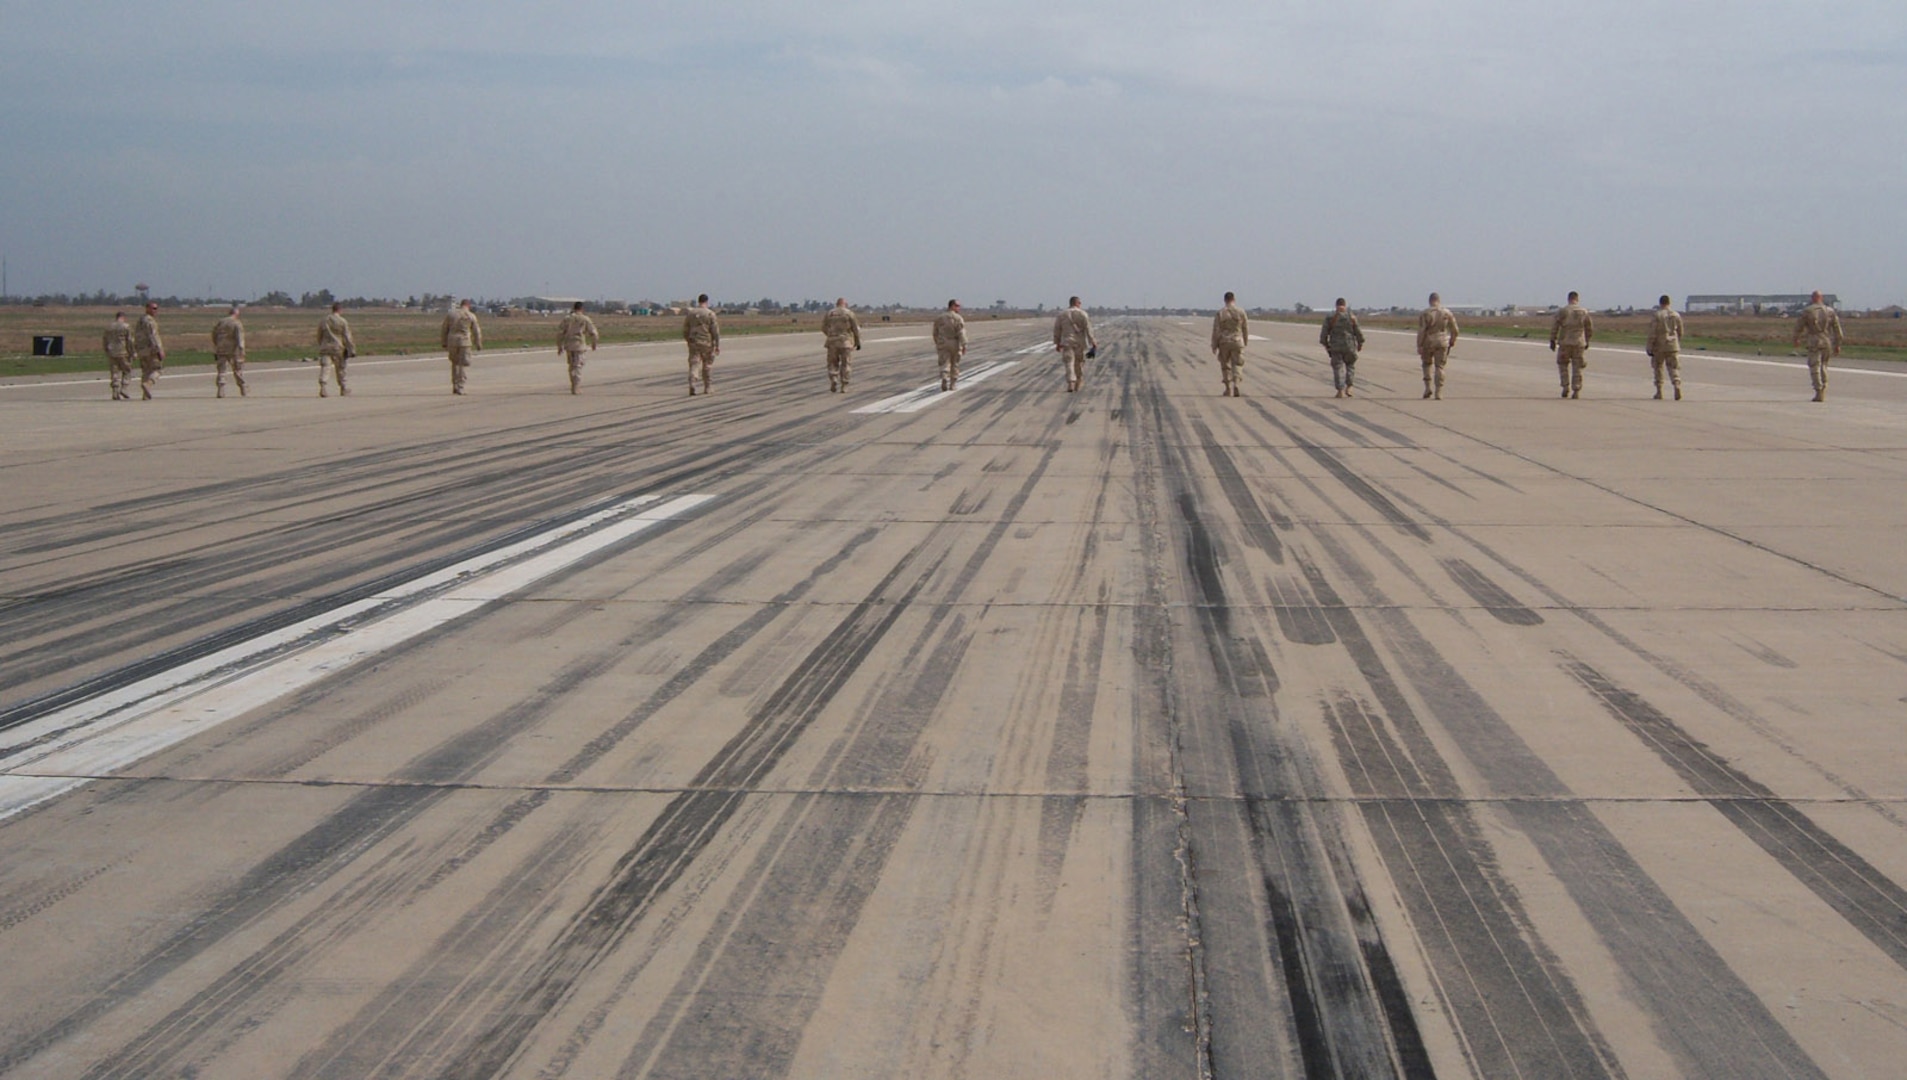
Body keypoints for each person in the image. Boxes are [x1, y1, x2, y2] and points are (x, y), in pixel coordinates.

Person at [1792, 290, 1843, 402]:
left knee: (1814, 366)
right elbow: (1837, 330)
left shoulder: (1808, 311)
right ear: (1821, 298)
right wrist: (1837, 344)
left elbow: (1798, 327)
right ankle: (1824, 387)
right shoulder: (1830, 311)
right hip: (1826, 341)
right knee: (1824, 366)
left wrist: (1796, 339)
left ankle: (1818, 390)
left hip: (1814, 341)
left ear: (1813, 298)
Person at [1549, 291, 1594, 399]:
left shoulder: (1563, 311)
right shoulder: (1584, 312)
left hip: (1565, 342)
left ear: (1568, 299)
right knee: (1577, 367)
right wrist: (1587, 340)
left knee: (1563, 365)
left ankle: (1565, 386)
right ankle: (1576, 389)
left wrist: (1552, 340)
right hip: (1579, 342)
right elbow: (1589, 328)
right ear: (1577, 299)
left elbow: (1555, 326)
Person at [1319, 297, 1365, 398]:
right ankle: (1349, 387)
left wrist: (1326, 344)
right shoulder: (1351, 316)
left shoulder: (1330, 317)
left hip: (1336, 347)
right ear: (1345, 305)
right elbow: (1358, 331)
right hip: (1349, 346)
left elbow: (1324, 333)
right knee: (1350, 366)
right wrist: (1360, 343)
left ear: (1336, 305)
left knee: (1337, 368)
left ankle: (1340, 390)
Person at [1415, 292, 1459, 399]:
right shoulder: (1447, 313)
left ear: (1430, 301)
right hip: (1442, 341)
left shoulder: (1425, 313)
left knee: (1426, 364)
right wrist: (1452, 340)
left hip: (1428, 341)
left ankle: (1427, 388)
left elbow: (1422, 330)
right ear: (1439, 300)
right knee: (1440, 366)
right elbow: (1455, 330)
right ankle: (1439, 391)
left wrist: (1419, 345)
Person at [1052, 296, 1097, 392]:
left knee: (1069, 363)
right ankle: (1078, 381)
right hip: (1080, 343)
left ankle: (1071, 382)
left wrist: (1057, 343)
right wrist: (1092, 341)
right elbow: (1088, 328)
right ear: (1077, 303)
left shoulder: (1062, 314)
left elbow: (1057, 329)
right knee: (1079, 363)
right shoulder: (1083, 314)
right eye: (1079, 303)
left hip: (1067, 342)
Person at [1210, 291, 1250, 397]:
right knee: (1237, 364)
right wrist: (1245, 341)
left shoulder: (1221, 313)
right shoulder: (1241, 312)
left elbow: (1216, 330)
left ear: (1225, 300)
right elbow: (1245, 327)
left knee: (1225, 365)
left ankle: (1228, 388)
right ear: (1234, 299)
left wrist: (1214, 345)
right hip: (1237, 341)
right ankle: (1236, 384)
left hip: (1224, 342)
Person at [1646, 295, 1684, 400]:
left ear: (1660, 303)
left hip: (1660, 345)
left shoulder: (1657, 315)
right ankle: (1676, 384)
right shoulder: (1676, 315)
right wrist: (1677, 341)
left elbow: (1653, 332)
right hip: (1673, 345)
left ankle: (1659, 391)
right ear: (1669, 302)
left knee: (1658, 367)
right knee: (1673, 367)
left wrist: (1649, 346)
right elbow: (1680, 331)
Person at [440, 299, 483, 395]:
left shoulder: (451, 315)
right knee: (462, 364)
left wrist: (444, 342)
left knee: (454, 363)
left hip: (452, 341)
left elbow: (444, 329)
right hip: (465, 342)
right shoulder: (471, 315)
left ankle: (455, 385)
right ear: (468, 306)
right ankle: (460, 386)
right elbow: (476, 331)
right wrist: (478, 343)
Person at [556, 301, 599, 394]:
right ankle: (576, 386)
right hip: (579, 345)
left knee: (572, 366)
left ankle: (573, 384)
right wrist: (594, 343)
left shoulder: (567, 319)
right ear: (581, 308)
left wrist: (559, 346)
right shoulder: (585, 319)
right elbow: (594, 333)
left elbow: (560, 333)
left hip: (569, 345)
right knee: (578, 366)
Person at [821, 297, 862, 392]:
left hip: (832, 342)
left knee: (832, 363)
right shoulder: (849, 313)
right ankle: (844, 384)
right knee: (846, 364)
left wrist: (830, 335)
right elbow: (855, 329)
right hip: (845, 342)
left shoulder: (829, 313)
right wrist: (857, 342)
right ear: (845, 304)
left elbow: (823, 327)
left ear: (836, 304)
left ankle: (834, 379)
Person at [316, 301, 356, 397]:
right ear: (340, 310)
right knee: (341, 369)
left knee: (325, 367)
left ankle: (323, 386)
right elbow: (347, 336)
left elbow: (319, 334)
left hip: (326, 348)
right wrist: (351, 349)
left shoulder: (324, 320)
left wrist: (321, 344)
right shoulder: (342, 321)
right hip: (338, 348)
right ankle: (343, 387)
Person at [683, 294, 720, 395]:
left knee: (694, 364)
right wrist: (717, 344)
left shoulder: (691, 313)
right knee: (707, 365)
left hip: (694, 342)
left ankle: (692, 382)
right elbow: (715, 331)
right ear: (706, 301)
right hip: (706, 343)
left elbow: (685, 329)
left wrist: (688, 341)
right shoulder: (710, 314)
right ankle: (708, 387)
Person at [210, 305, 247, 398]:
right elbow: (240, 338)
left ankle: (221, 390)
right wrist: (241, 350)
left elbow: (214, 334)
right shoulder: (236, 323)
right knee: (238, 370)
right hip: (233, 349)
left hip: (221, 348)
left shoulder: (221, 322)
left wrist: (217, 345)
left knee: (221, 370)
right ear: (236, 314)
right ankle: (242, 387)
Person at [133, 301, 166, 400]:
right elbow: (153, 336)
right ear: (147, 308)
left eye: (156, 308)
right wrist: (159, 350)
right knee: (157, 370)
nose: (155, 311)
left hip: (142, 350)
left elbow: (136, 336)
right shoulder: (150, 321)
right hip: (151, 350)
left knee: (146, 371)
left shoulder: (140, 321)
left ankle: (145, 394)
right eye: (153, 308)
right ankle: (148, 384)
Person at [932, 299, 967, 390]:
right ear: (952, 306)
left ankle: (944, 377)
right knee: (955, 363)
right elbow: (961, 332)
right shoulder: (958, 318)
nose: (959, 308)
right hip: (954, 343)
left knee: (944, 362)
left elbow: (935, 332)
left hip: (943, 342)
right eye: (957, 306)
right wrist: (964, 344)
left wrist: (938, 342)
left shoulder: (940, 317)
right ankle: (953, 384)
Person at [102, 311, 135, 400]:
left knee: (114, 372)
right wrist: (132, 352)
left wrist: (106, 350)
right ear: (123, 317)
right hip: (123, 352)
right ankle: (124, 387)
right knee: (127, 370)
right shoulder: (126, 326)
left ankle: (115, 390)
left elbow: (105, 340)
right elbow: (130, 341)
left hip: (112, 352)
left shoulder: (109, 327)